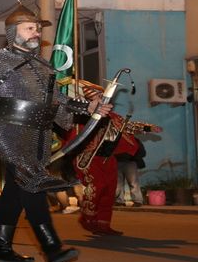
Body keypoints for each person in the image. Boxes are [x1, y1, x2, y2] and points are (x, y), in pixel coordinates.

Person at [0, 4, 112, 262]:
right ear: (13, 32)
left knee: (17, 189)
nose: (36, 32)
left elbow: (57, 99)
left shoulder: (42, 65)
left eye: (37, 28)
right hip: (6, 131)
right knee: (33, 181)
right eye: (29, 28)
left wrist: (88, 107)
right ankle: (52, 247)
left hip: (38, 134)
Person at [68, 87, 161, 235]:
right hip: (88, 158)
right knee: (97, 185)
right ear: (91, 99)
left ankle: (103, 224)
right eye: (99, 96)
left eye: (104, 96)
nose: (104, 99)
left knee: (109, 190)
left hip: (107, 158)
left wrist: (147, 127)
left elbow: (127, 126)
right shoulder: (82, 115)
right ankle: (87, 218)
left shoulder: (113, 117)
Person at [115, 136, 147, 207]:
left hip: (130, 162)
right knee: (118, 183)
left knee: (133, 182)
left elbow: (142, 152)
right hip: (118, 162)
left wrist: (132, 156)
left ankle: (137, 201)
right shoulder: (116, 138)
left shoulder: (134, 139)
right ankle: (119, 201)